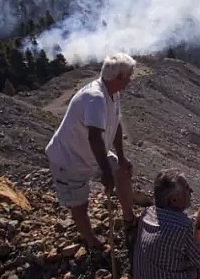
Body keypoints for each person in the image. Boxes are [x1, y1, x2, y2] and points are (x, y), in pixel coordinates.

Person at [45, 53, 137, 249]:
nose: (131, 79)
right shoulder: (95, 98)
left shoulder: (113, 92)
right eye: (129, 75)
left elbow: (116, 122)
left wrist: (121, 157)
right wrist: (105, 172)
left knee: (122, 172)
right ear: (118, 77)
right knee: (79, 203)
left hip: (92, 155)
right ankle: (91, 241)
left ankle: (129, 219)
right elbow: (94, 138)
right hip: (69, 159)